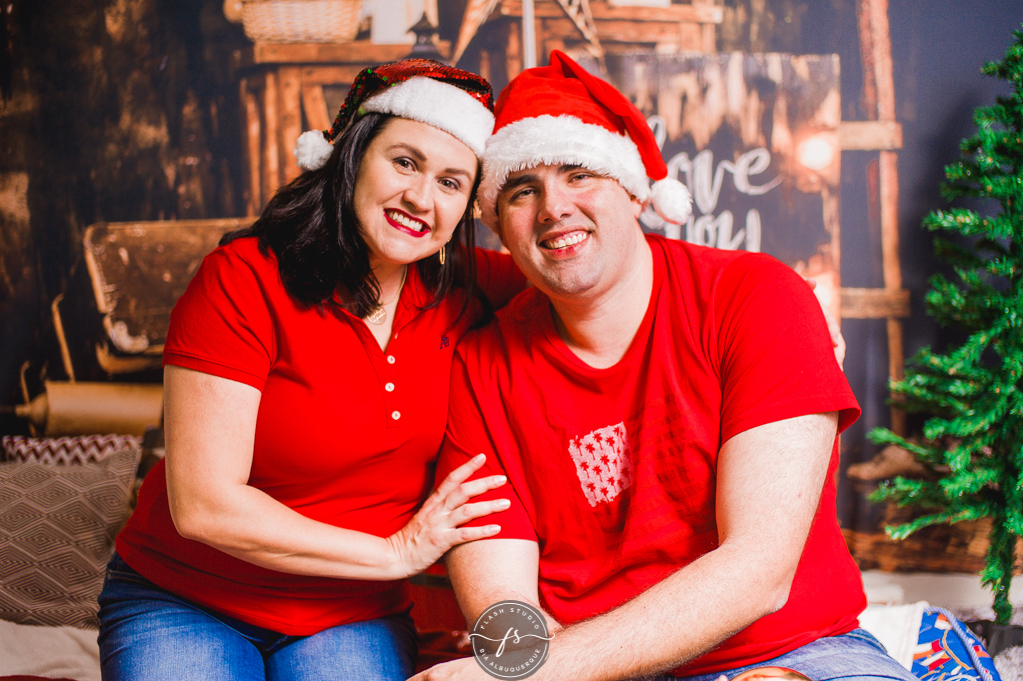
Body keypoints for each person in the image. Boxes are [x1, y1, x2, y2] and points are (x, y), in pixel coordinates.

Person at [414, 52, 917, 681]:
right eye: (522, 190)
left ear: (633, 192)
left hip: (790, 653)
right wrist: (520, 668)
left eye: (579, 174)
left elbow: (758, 571)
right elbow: (501, 604)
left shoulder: (758, 298)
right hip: (590, 672)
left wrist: (543, 669)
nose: (553, 208)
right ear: (498, 225)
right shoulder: (481, 365)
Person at [98, 60, 528, 681]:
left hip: (350, 613)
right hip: (187, 596)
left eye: (451, 182)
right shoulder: (244, 279)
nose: (421, 198)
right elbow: (203, 506)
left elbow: (591, 281)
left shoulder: (462, 288)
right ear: (352, 159)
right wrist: (396, 553)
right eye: (404, 163)